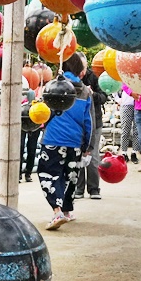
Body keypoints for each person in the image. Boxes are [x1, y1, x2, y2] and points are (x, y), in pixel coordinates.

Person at [37, 53, 92, 230]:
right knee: (70, 176)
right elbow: (88, 121)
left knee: (49, 174)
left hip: (53, 139)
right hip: (75, 142)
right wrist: (86, 146)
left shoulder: (52, 87)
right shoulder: (85, 91)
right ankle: (67, 211)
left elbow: (43, 113)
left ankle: (57, 211)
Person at [75, 67, 107, 199]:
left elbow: (104, 97)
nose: (81, 73)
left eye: (82, 68)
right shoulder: (72, 79)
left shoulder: (93, 77)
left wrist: (93, 94)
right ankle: (79, 188)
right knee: (78, 154)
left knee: (93, 155)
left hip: (95, 122)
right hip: (78, 122)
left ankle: (94, 189)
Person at [115, 84, 140, 163]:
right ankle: (124, 152)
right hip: (126, 103)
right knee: (125, 129)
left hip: (138, 103)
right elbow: (118, 86)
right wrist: (118, 99)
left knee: (137, 130)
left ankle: (134, 152)